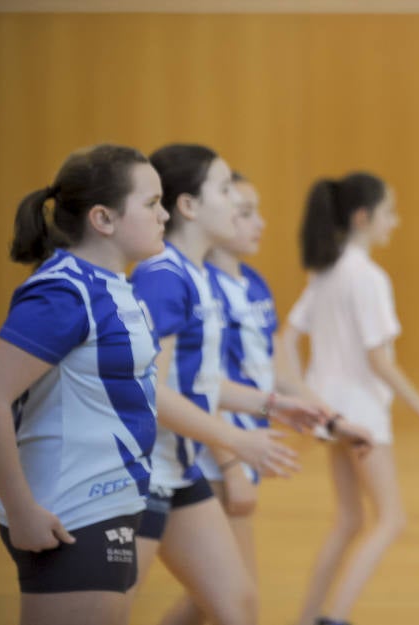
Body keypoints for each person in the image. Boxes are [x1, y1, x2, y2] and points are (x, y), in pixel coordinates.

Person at [0, 144, 168, 625]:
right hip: (70, 514)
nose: (163, 215)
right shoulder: (66, 292)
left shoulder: (117, 288)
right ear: (103, 218)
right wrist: (22, 510)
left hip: (110, 505)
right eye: (151, 203)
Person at [158, 171, 373, 625]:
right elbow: (195, 382)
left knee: (212, 600)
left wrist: (331, 421)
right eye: (243, 212)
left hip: (242, 450)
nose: (258, 223)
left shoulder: (254, 283)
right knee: (234, 603)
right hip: (210, 455)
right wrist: (231, 462)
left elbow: (281, 371)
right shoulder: (199, 285)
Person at [130, 144, 327, 625]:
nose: (236, 201)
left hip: (176, 469)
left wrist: (271, 403)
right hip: (134, 473)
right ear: (190, 207)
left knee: (235, 605)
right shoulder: (163, 276)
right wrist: (236, 443)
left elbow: (195, 382)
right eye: (224, 190)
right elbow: (148, 390)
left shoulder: (194, 277)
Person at [279, 172, 419, 625]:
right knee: (390, 519)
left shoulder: (326, 270)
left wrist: (305, 393)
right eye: (389, 212)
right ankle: (332, 618)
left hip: (329, 413)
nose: (395, 222)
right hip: (361, 416)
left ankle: (307, 618)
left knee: (350, 521)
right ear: (363, 217)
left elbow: (286, 339)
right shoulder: (368, 277)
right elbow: (380, 361)